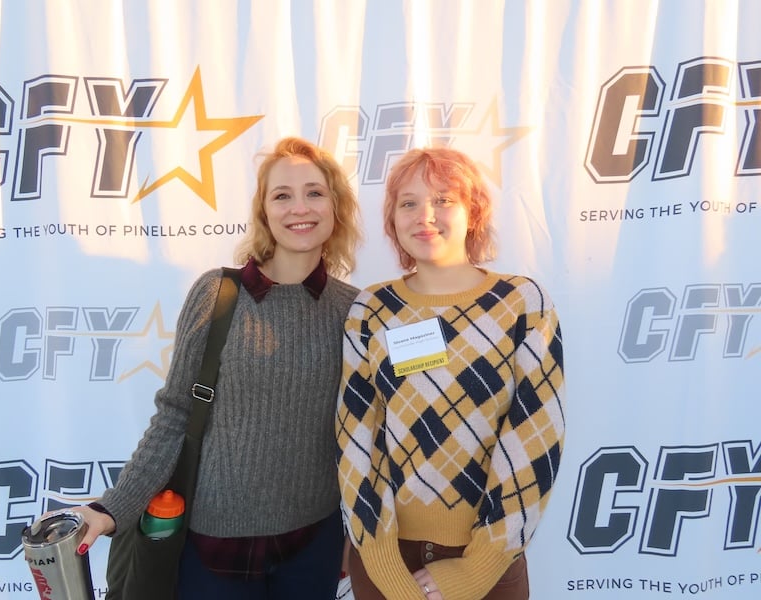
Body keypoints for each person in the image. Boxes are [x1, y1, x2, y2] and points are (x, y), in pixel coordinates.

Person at [73, 136, 362, 599]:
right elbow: (174, 416)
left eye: (314, 192)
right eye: (281, 195)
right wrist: (111, 508)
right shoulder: (218, 294)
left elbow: (360, 439)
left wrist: (361, 537)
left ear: (336, 206)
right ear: (264, 211)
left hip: (314, 545)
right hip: (215, 548)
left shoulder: (353, 311)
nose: (298, 208)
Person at [336, 147, 565, 600]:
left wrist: (479, 566)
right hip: (384, 556)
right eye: (409, 202)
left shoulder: (521, 303)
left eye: (444, 199)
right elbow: (355, 436)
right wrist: (382, 562)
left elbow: (537, 433)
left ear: (473, 212)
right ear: (393, 220)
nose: (426, 215)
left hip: (489, 562)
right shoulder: (371, 309)